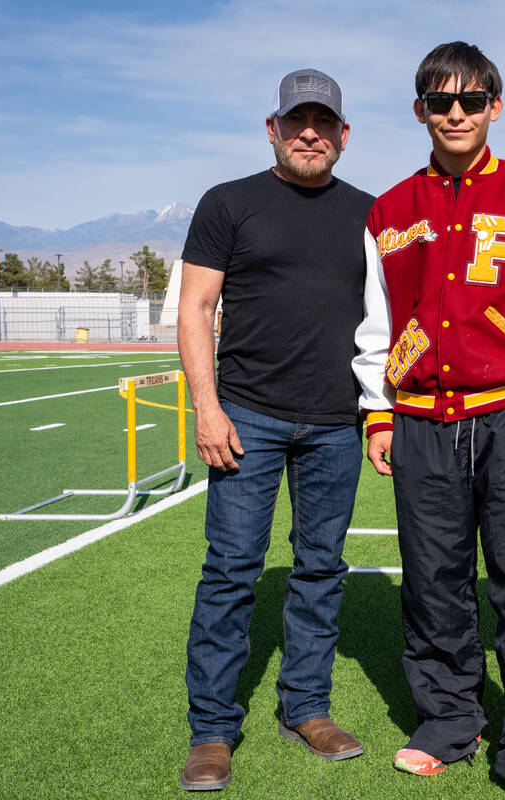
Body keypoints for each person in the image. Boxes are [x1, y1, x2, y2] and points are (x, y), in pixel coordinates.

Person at [352, 42, 505, 800]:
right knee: (433, 582)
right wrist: (377, 412)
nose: (455, 112)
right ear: (420, 109)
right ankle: (451, 722)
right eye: (439, 100)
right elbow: (377, 323)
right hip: (419, 418)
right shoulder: (388, 211)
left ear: (494, 105)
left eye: (471, 99)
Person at [176, 69, 374, 791]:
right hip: (247, 417)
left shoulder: (373, 214)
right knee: (231, 570)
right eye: (298, 121)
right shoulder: (229, 203)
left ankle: (307, 708)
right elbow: (196, 309)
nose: (311, 133)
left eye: (324, 122)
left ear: (344, 135)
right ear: (274, 128)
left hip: (336, 423)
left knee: (320, 568)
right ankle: (212, 728)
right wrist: (207, 406)